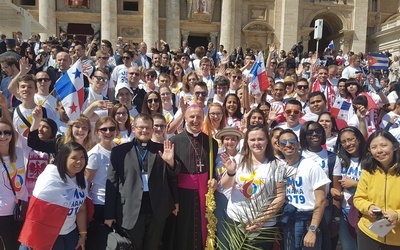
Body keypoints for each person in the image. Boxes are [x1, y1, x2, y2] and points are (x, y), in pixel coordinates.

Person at [104, 113, 178, 250]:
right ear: (133, 128)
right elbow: (112, 183)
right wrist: (109, 214)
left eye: (148, 128)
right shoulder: (119, 151)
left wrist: (171, 163)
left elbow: (172, 178)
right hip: (130, 209)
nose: (144, 131)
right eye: (141, 127)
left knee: (153, 246)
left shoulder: (161, 149)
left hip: (156, 209)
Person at [220, 124, 285, 249]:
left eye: (260, 139)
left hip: (264, 225)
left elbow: (280, 196)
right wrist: (231, 172)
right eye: (252, 140)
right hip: (236, 219)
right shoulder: (238, 159)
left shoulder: (277, 164)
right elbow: (224, 185)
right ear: (247, 142)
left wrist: (262, 219)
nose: (257, 143)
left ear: (267, 141)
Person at [19, 142, 88, 250]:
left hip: (70, 233)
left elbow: (81, 208)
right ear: (64, 159)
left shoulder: (82, 180)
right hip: (50, 235)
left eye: (82, 157)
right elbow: (37, 213)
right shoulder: (50, 179)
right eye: (74, 158)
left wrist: (83, 234)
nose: (79, 161)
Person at [170, 104, 218, 249]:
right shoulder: (174, 141)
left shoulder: (212, 142)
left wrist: (214, 180)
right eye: (192, 116)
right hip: (182, 195)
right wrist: (174, 200)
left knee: (204, 229)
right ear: (185, 118)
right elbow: (170, 174)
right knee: (184, 231)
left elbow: (214, 168)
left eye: (199, 117)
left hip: (205, 194)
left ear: (203, 118)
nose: (195, 120)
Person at [279, 129, 331, 250]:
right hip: (289, 220)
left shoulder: (311, 166)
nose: (288, 145)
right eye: (283, 142)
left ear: (298, 144)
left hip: (308, 221)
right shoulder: (280, 168)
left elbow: (321, 200)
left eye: (292, 141)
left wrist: (312, 230)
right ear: (279, 147)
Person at [354, 130, 400, 249]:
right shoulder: (368, 171)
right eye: (374, 147)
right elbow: (359, 198)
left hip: (397, 238)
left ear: (395, 146)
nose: (379, 150)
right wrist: (369, 207)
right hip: (369, 231)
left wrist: (397, 215)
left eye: (384, 145)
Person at [330, 127, 366, 250]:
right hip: (344, 211)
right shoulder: (339, 160)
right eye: (343, 142)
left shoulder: (370, 160)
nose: (347, 144)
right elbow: (334, 185)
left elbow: (377, 186)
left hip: (364, 212)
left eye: (351, 139)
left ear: (359, 139)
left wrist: (356, 184)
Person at [213, 127, 243, 248]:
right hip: (220, 196)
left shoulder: (243, 157)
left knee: (235, 232)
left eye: (233, 139)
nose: (230, 142)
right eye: (227, 139)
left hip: (237, 197)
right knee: (221, 231)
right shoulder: (216, 157)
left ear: (237, 141)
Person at [0, 118, 27, 250]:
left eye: (7, 132)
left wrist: (5, 107)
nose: (3, 136)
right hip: (1, 212)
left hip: (19, 210)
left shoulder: (19, 152)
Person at [28, 112, 93, 155]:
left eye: (84, 128)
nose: (80, 130)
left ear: (89, 131)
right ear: (71, 128)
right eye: (77, 126)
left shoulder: (92, 148)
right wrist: (36, 120)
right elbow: (33, 143)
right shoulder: (60, 143)